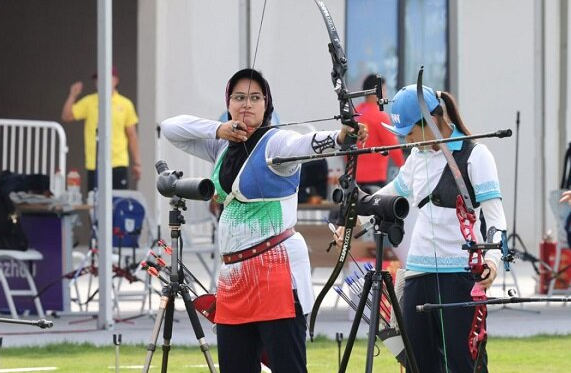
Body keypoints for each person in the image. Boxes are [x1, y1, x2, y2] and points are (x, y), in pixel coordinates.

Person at [160, 68, 367, 373]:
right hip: (233, 278)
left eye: (255, 98)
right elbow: (170, 128)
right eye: (239, 97)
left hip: (276, 274)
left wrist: (340, 136)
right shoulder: (220, 147)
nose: (247, 104)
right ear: (228, 103)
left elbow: (306, 144)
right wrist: (220, 130)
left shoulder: (276, 142)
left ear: (267, 104)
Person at [335, 84, 506, 372]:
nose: (409, 142)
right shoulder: (417, 157)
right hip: (416, 275)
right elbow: (391, 193)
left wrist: (493, 259)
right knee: (417, 364)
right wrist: (354, 218)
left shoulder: (476, 155)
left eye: (412, 133)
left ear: (432, 120)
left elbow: (496, 217)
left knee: (463, 363)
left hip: (460, 277)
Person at [61, 66, 142, 191]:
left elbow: (132, 135)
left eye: (105, 77)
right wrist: (72, 95)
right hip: (95, 163)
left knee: (118, 204)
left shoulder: (125, 104)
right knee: (95, 203)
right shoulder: (89, 101)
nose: (100, 81)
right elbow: (67, 116)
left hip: (118, 163)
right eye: (97, 79)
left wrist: (137, 163)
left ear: (115, 80)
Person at [354, 74, 405, 194]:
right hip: (375, 180)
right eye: (384, 90)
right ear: (377, 92)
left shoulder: (355, 114)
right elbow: (393, 147)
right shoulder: (379, 116)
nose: (386, 94)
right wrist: (406, 169)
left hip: (355, 178)